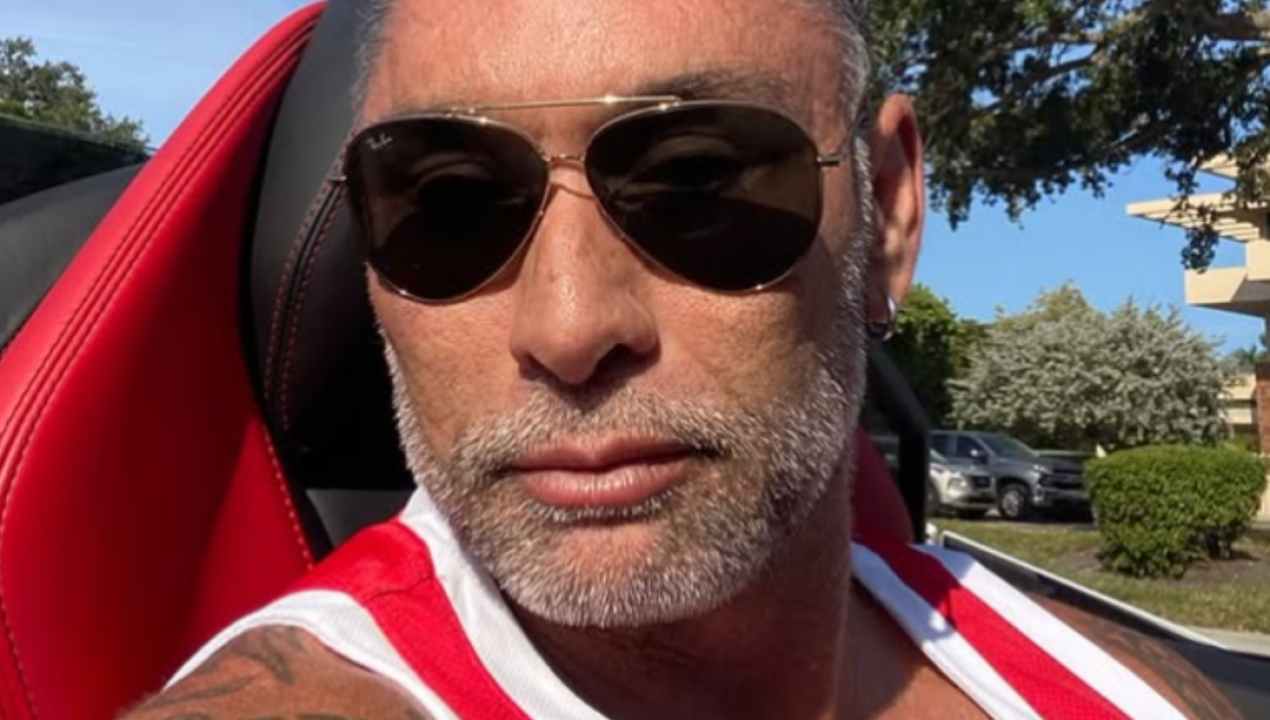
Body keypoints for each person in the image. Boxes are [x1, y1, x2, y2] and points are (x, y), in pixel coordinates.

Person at [122, 0, 1246, 718]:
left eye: (697, 181)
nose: (567, 328)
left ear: (889, 216)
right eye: (451, 201)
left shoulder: (1118, 690)